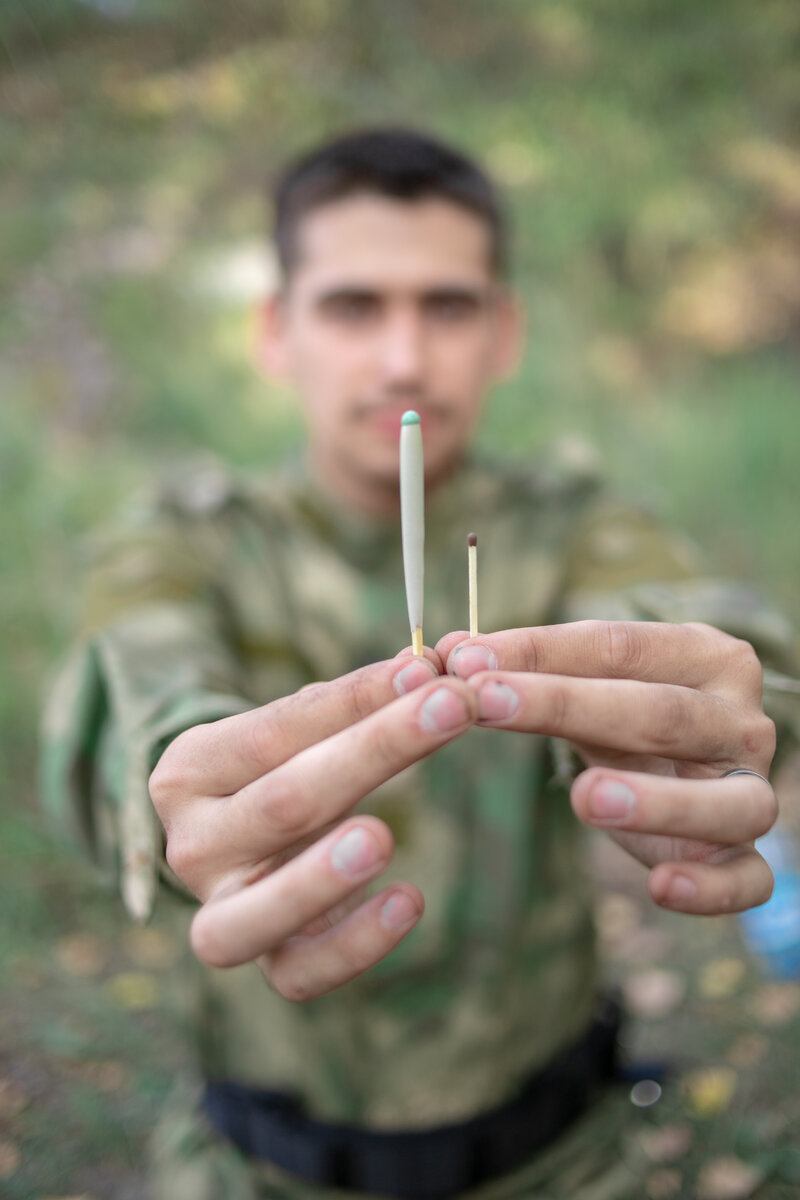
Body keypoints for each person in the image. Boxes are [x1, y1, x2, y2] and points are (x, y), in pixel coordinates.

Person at [41, 128, 799, 1200]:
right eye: (353, 306)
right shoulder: (182, 545)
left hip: (571, 1162)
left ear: (503, 332)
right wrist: (178, 788)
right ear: (275, 330)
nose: (403, 358)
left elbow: (694, 630)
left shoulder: (576, 525)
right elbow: (128, 698)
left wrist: (714, 718)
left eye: (446, 306)